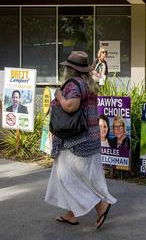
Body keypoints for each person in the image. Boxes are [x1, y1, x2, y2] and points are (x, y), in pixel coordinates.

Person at [44, 50, 116, 229]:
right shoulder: (88, 84)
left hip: (75, 140)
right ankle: (71, 214)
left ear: (70, 69)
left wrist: (59, 95)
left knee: (68, 177)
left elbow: (70, 106)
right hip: (90, 137)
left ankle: (101, 206)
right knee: (82, 176)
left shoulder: (73, 84)